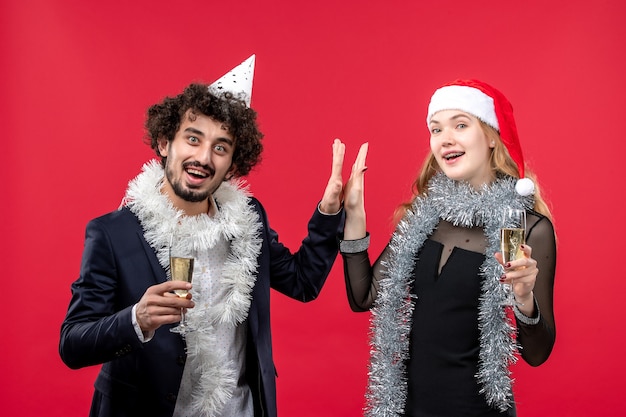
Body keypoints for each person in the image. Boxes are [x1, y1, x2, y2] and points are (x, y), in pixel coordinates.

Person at [59, 55, 347, 417]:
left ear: (233, 163)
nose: (203, 157)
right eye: (193, 139)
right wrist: (137, 319)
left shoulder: (248, 218)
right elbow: (73, 344)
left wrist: (330, 208)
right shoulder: (113, 233)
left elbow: (303, 282)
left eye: (220, 147)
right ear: (165, 143)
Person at [339, 79, 556, 416]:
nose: (445, 139)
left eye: (460, 124)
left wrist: (525, 299)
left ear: (490, 136)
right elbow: (364, 297)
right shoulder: (424, 217)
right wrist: (354, 215)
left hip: (478, 409)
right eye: (436, 129)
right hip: (409, 408)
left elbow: (537, 354)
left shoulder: (517, 226)